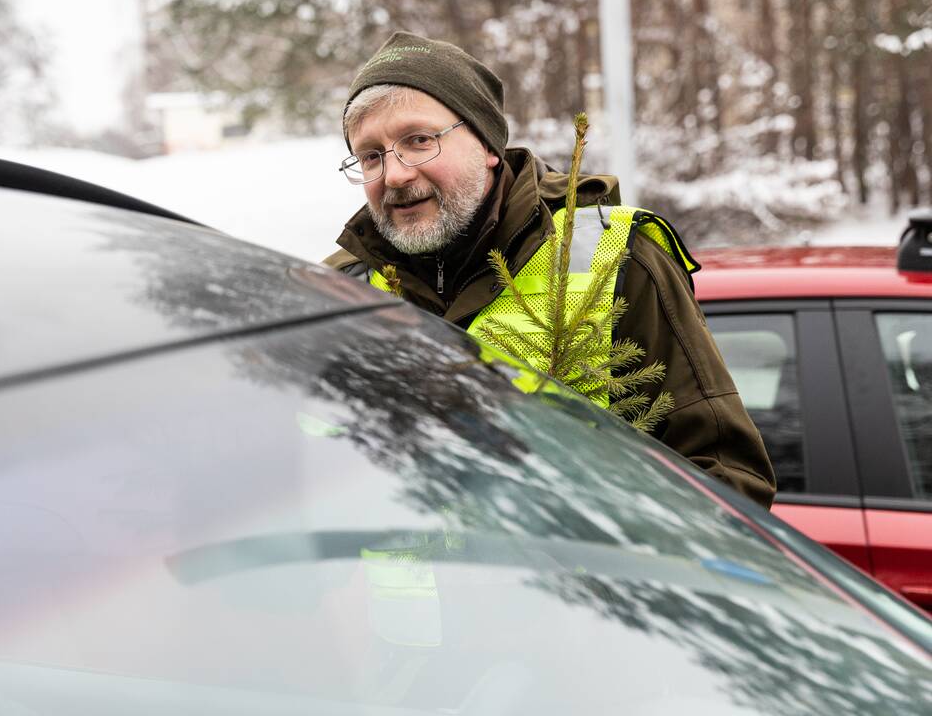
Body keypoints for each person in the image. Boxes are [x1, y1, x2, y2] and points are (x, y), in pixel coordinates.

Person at [323, 31, 776, 509]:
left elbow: (728, 480)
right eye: (371, 156)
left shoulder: (617, 259)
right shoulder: (337, 291)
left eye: (418, 141)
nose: (394, 175)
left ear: (486, 144)